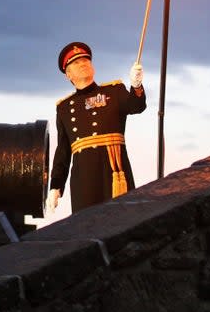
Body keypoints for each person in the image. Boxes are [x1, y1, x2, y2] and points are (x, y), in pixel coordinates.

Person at [47, 41, 146, 214]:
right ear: (68, 75)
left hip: (113, 171)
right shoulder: (63, 107)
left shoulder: (114, 92)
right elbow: (63, 150)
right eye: (76, 63)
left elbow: (136, 106)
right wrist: (55, 186)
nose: (83, 63)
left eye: (86, 60)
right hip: (84, 179)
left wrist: (136, 85)